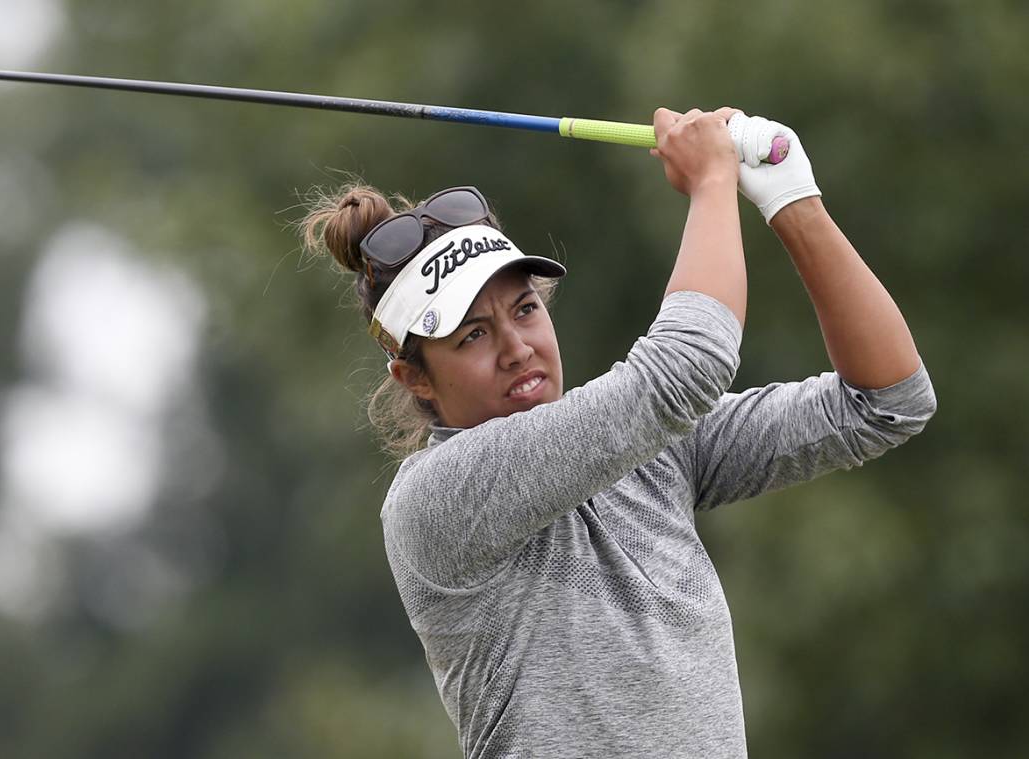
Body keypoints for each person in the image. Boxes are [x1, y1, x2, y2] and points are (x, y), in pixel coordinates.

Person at [298, 107, 936, 758]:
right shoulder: (435, 497)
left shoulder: (650, 449)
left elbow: (887, 401)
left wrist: (791, 199)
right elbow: (688, 365)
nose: (517, 348)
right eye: (473, 335)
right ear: (415, 378)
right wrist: (713, 182)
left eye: (525, 308)